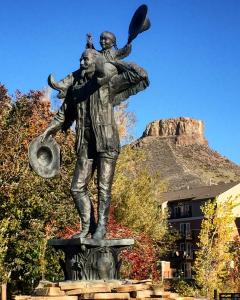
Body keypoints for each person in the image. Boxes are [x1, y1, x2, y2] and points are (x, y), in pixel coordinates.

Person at [42, 48, 149, 239]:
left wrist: (111, 62)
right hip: (85, 145)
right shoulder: (76, 90)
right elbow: (63, 115)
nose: (82, 63)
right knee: (76, 187)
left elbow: (139, 74)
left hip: (106, 142)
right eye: (80, 60)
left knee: (103, 188)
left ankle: (101, 227)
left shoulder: (107, 84)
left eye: (86, 60)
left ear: (96, 62)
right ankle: (87, 227)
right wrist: (48, 131)